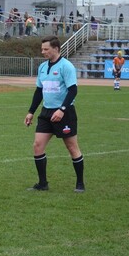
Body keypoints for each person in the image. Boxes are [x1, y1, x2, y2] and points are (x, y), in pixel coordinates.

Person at [24, 36, 85, 193]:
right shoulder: (43, 67)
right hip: (46, 112)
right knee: (37, 146)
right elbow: (39, 91)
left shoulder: (67, 66)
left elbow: (73, 90)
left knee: (72, 147)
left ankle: (80, 184)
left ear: (56, 49)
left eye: (46, 49)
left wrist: (62, 109)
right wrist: (31, 111)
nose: (42, 51)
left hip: (64, 113)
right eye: (42, 49)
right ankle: (42, 183)